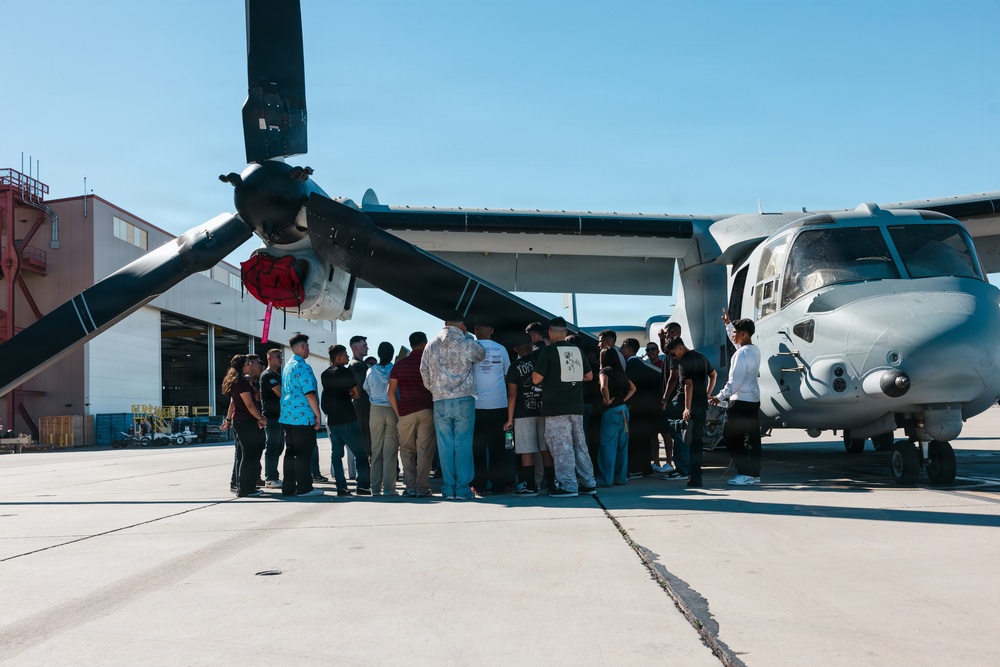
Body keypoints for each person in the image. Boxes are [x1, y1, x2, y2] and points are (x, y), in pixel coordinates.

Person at [420, 310, 486, 500]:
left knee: (445, 445)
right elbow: (481, 354)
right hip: (464, 398)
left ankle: (448, 489)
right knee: (463, 444)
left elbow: (423, 370)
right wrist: (466, 335)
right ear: (462, 325)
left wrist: (434, 388)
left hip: (440, 399)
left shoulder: (431, 345)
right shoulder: (467, 343)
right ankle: (463, 489)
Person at [531, 317, 598, 498]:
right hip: (576, 406)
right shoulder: (577, 350)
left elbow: (536, 379)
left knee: (562, 446)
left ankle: (568, 485)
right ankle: (588, 482)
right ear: (566, 333)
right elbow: (590, 376)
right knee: (579, 444)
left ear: (550, 333)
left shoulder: (549, 351)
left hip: (555, 407)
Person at [710, 311, 762, 486]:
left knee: (730, 437)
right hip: (753, 402)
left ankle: (744, 472)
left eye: (735, 332)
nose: (732, 335)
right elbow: (737, 342)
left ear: (743, 334)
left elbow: (734, 382)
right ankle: (754, 474)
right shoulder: (753, 350)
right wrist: (728, 324)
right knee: (753, 439)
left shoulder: (740, 354)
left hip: (739, 402)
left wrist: (719, 396)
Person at [504, 333, 554, 497]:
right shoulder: (540, 361)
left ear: (515, 349)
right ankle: (551, 483)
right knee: (545, 448)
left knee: (526, 449)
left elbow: (512, 394)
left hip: (522, 412)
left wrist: (509, 419)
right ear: (531, 346)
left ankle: (530, 486)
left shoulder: (515, 366)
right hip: (543, 410)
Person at [388, 331, 436, 497]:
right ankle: (422, 487)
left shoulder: (400, 365)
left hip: (406, 412)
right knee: (425, 450)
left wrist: (398, 412)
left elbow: (391, 392)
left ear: (410, 345)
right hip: (427, 410)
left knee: (407, 450)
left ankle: (410, 487)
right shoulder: (430, 363)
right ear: (425, 344)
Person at [664, 337, 717, 488]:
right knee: (697, 444)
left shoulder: (684, 362)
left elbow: (688, 385)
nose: (673, 358)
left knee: (665, 420)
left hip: (688, 405)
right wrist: (707, 393)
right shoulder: (701, 357)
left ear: (679, 348)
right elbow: (713, 375)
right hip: (701, 405)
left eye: (673, 354)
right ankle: (696, 477)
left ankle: (681, 430)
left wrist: (687, 408)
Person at [321, 344, 373, 496]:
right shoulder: (346, 372)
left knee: (336, 456)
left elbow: (330, 394)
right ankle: (362, 486)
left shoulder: (325, 374)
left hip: (333, 420)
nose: (347, 357)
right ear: (338, 357)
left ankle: (341, 488)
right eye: (345, 354)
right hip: (348, 418)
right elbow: (357, 394)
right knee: (360, 454)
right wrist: (348, 393)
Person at [278, 334, 324, 497]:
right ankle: (305, 487)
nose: (309, 350)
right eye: (308, 346)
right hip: (302, 417)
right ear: (303, 346)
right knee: (304, 452)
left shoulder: (287, 366)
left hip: (287, 417)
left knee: (291, 452)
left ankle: (289, 487)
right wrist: (318, 415)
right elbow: (310, 394)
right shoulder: (303, 367)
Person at [472, 315, 514, 495]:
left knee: (478, 449)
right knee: (498, 449)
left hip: (476, 406)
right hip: (499, 406)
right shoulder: (501, 349)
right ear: (492, 331)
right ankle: (498, 485)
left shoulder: (471, 349)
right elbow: (507, 375)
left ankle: (479, 485)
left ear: (475, 331)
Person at [221, 354, 266, 498]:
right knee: (249, 456)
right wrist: (261, 417)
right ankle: (246, 489)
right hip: (245, 422)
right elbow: (250, 404)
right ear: (242, 366)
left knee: (245, 455)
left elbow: (233, 404)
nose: (250, 365)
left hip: (241, 421)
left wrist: (228, 419)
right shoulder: (242, 383)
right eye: (247, 363)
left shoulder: (238, 381)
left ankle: (245, 486)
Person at [621, 337, 660, 479]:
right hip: (646, 408)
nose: (621, 350)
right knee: (644, 439)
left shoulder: (631, 366)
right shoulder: (643, 365)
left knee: (636, 440)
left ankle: (636, 468)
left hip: (635, 409)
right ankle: (646, 467)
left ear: (629, 349)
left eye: (623, 348)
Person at [364, 341, 400, 495]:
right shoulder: (395, 369)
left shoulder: (371, 371)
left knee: (376, 449)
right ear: (392, 355)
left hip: (376, 410)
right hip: (392, 409)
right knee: (390, 451)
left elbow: (366, 388)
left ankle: (376, 488)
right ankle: (390, 489)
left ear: (378, 354)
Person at [596, 347, 636, 487]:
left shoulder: (604, 371)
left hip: (611, 411)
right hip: (624, 411)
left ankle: (606, 479)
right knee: (622, 446)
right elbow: (633, 388)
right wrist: (623, 400)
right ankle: (620, 478)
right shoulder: (621, 372)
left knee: (607, 446)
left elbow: (603, 386)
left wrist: (607, 400)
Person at [658, 322, 684, 475]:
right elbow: (665, 349)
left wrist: (665, 398)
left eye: (667, 333)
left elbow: (673, 377)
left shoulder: (675, 353)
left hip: (674, 399)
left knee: (677, 435)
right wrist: (662, 339)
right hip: (675, 398)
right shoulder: (673, 351)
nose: (666, 335)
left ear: (673, 332)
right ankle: (681, 467)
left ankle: (681, 468)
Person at [259, 348, 285, 489]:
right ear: (269, 358)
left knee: (279, 447)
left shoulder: (278, 376)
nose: (280, 359)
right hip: (272, 418)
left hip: (280, 418)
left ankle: (273, 475)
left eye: (280, 356)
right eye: (277, 356)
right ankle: (270, 478)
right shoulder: (268, 375)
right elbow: (280, 392)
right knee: (272, 448)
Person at [348, 335, 373, 460]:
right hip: (362, 402)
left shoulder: (361, 364)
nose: (367, 348)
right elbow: (363, 384)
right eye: (364, 345)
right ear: (355, 348)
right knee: (366, 435)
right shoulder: (355, 365)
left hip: (366, 401)